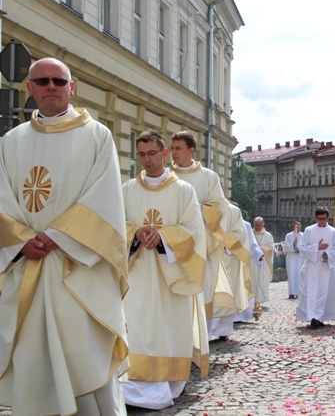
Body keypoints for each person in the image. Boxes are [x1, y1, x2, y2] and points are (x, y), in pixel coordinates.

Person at [0, 57, 129, 415]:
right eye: (42, 81)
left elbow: (104, 198)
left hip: (78, 270)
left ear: (72, 88)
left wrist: (56, 236)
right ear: (29, 88)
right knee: (31, 355)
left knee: (82, 352)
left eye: (59, 81)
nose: (51, 87)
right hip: (25, 267)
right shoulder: (10, 142)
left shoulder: (97, 136)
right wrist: (20, 238)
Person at [121, 130, 208, 409]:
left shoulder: (183, 190)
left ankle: (167, 384)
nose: (147, 159)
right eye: (141, 154)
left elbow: (194, 229)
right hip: (137, 274)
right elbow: (115, 226)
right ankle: (135, 386)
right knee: (136, 326)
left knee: (167, 327)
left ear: (164, 154)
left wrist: (163, 237)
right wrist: (135, 234)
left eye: (152, 153)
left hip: (172, 276)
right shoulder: (126, 190)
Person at [169, 131, 238, 341]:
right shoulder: (166, 176)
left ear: (192, 150)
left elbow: (220, 207)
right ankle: (175, 341)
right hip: (172, 244)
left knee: (201, 290)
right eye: (172, 148)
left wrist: (197, 208)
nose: (174, 153)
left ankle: (200, 341)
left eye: (178, 148)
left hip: (201, 244)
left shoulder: (209, 177)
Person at [296, 207, 335, 328]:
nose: (322, 221)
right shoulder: (309, 230)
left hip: (327, 267)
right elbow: (302, 247)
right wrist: (317, 246)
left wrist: (329, 254)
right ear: (316, 218)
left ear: (328, 217)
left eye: (324, 218)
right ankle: (312, 316)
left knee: (325, 292)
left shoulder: (334, 232)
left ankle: (321, 317)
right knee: (312, 292)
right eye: (319, 218)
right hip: (312, 266)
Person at [252, 217, 276, 307]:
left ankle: (261, 299)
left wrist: (261, 249)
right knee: (253, 279)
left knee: (262, 280)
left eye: (259, 225)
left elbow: (271, 248)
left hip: (263, 261)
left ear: (263, 224)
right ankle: (252, 300)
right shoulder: (249, 234)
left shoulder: (268, 235)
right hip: (252, 262)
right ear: (253, 224)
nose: (258, 227)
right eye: (256, 225)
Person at [284, 221, 304, 299]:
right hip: (291, 257)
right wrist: (293, 244)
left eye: (299, 227)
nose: (297, 229)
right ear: (293, 227)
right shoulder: (288, 235)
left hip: (300, 257)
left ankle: (299, 292)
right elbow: (286, 246)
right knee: (291, 274)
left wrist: (298, 248)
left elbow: (305, 246)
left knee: (299, 274)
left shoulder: (303, 235)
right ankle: (291, 292)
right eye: (296, 227)